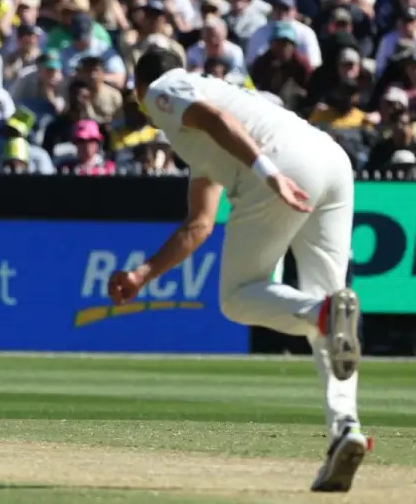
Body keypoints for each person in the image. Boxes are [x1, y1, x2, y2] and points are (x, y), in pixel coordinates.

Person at [113, 48, 366, 493]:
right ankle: (346, 428)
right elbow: (199, 225)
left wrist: (269, 174)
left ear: (138, 90)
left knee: (238, 298)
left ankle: (322, 311)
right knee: (327, 322)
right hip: (331, 161)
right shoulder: (204, 134)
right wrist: (142, 275)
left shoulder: (162, 89)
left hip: (283, 164)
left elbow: (214, 120)